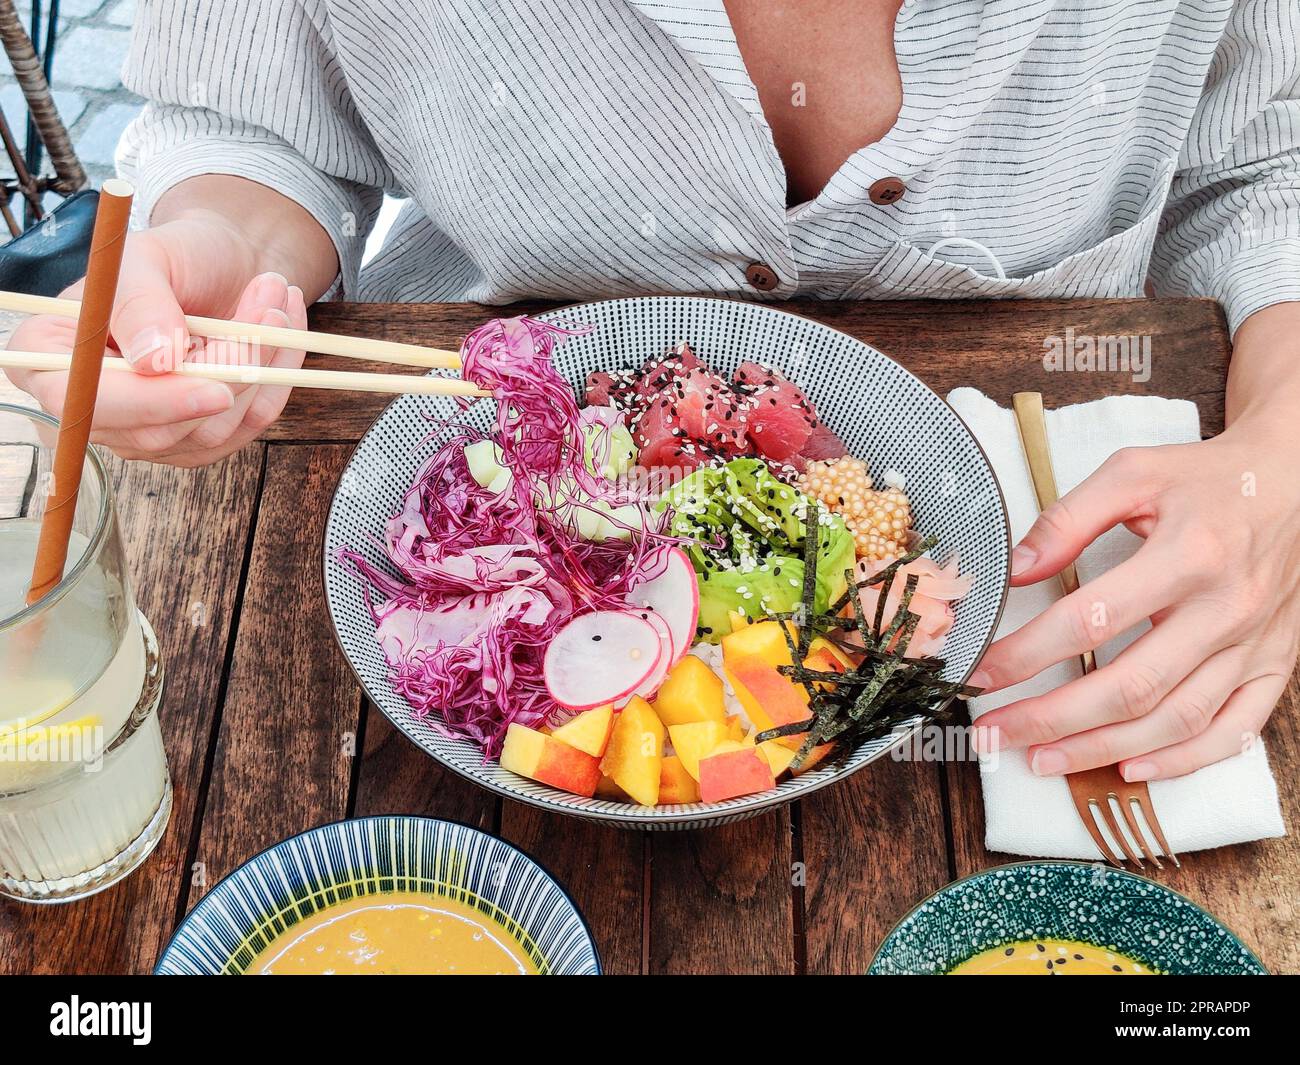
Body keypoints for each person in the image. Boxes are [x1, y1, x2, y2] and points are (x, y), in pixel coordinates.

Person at [6, 0, 1300, 787]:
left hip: (1089, 597)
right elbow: (253, 123)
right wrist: (233, 250)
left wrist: (1284, 450)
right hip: (405, 623)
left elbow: (1269, 161)